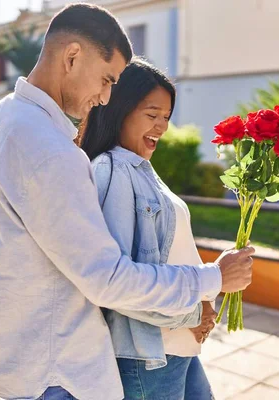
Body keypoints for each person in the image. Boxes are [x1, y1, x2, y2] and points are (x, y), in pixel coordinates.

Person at [0, 4, 254, 400]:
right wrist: (212, 281)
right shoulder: (48, 147)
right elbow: (110, 280)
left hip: (14, 355)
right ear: (72, 56)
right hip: (54, 370)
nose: (107, 95)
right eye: (107, 79)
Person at [80, 59, 216, 400]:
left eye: (167, 117)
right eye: (152, 114)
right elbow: (117, 282)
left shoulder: (140, 168)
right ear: (120, 110)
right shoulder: (111, 170)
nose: (162, 126)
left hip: (176, 345)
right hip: (149, 354)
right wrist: (195, 312)